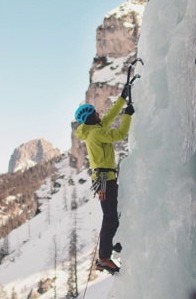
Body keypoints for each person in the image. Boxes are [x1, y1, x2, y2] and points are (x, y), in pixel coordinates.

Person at [74, 87, 135, 274]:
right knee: (110, 217)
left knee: (111, 215)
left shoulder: (95, 128)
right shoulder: (96, 133)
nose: (98, 113)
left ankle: (111, 246)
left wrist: (123, 98)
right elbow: (119, 135)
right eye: (95, 113)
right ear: (90, 118)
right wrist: (128, 116)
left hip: (105, 178)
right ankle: (104, 258)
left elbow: (109, 116)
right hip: (104, 179)